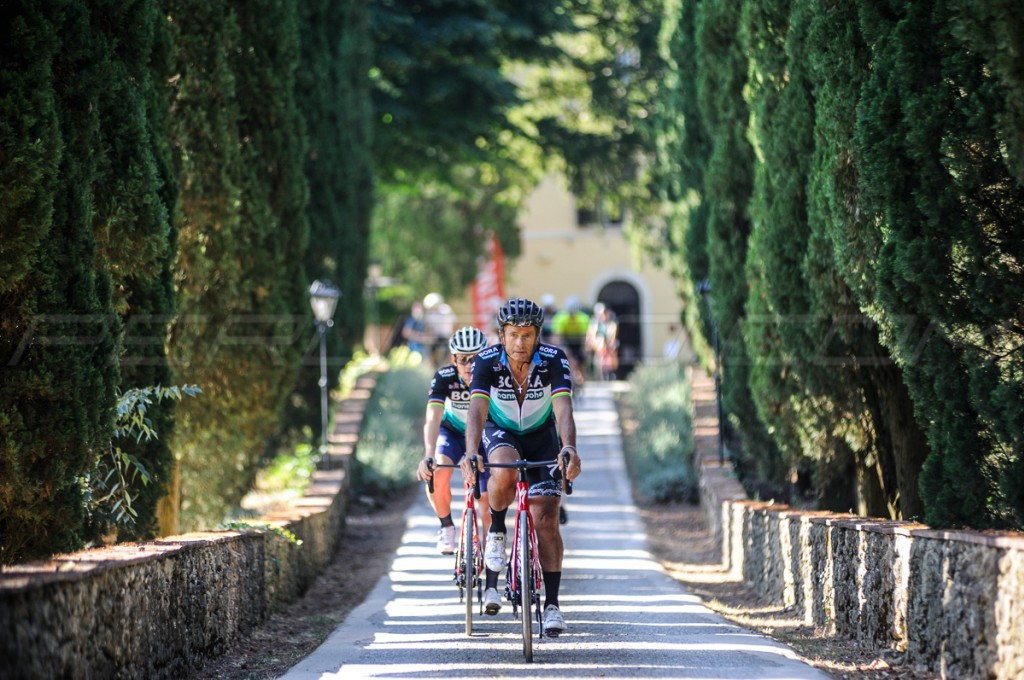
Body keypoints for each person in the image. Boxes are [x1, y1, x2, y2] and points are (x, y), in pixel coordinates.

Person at [461, 297, 582, 636]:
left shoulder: (554, 359)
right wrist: (471, 452)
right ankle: (497, 527)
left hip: (543, 437)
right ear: (502, 335)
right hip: (501, 432)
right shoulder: (485, 361)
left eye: (527, 335)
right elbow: (475, 411)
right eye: (513, 335)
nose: (520, 343)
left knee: (547, 520)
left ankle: (553, 604)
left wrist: (569, 447)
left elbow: (563, 409)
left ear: (537, 335)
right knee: (504, 468)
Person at [416, 327, 491, 554]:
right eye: (463, 359)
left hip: (484, 435)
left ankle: (490, 548)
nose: (469, 366)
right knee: (437, 472)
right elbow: (432, 418)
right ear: (453, 359)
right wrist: (428, 454)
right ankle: (446, 526)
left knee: (487, 499)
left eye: (475, 359)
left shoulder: (494, 377)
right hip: (453, 433)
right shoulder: (444, 377)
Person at [550, 295, 589, 386]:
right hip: (566, 340)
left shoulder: (583, 318)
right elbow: (557, 337)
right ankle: (568, 375)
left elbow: (585, 337)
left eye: (574, 314)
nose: (572, 316)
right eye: (570, 314)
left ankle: (581, 381)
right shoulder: (560, 318)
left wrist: (585, 350)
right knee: (566, 355)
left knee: (581, 361)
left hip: (578, 341)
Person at [586, 302, 619, 380]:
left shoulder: (610, 323)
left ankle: (610, 373)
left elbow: (612, 334)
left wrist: (610, 343)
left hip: (607, 345)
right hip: (599, 346)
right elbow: (591, 334)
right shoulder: (594, 323)